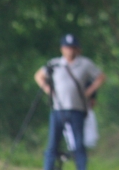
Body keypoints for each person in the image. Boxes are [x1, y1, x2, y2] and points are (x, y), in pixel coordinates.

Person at [34, 35, 106, 170]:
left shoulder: (85, 64)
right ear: (62, 49)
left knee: (78, 144)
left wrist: (89, 91)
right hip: (58, 109)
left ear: (77, 49)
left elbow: (101, 77)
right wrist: (48, 90)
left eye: (72, 48)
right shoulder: (55, 64)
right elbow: (39, 76)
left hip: (77, 109)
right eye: (67, 48)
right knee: (52, 143)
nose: (70, 51)